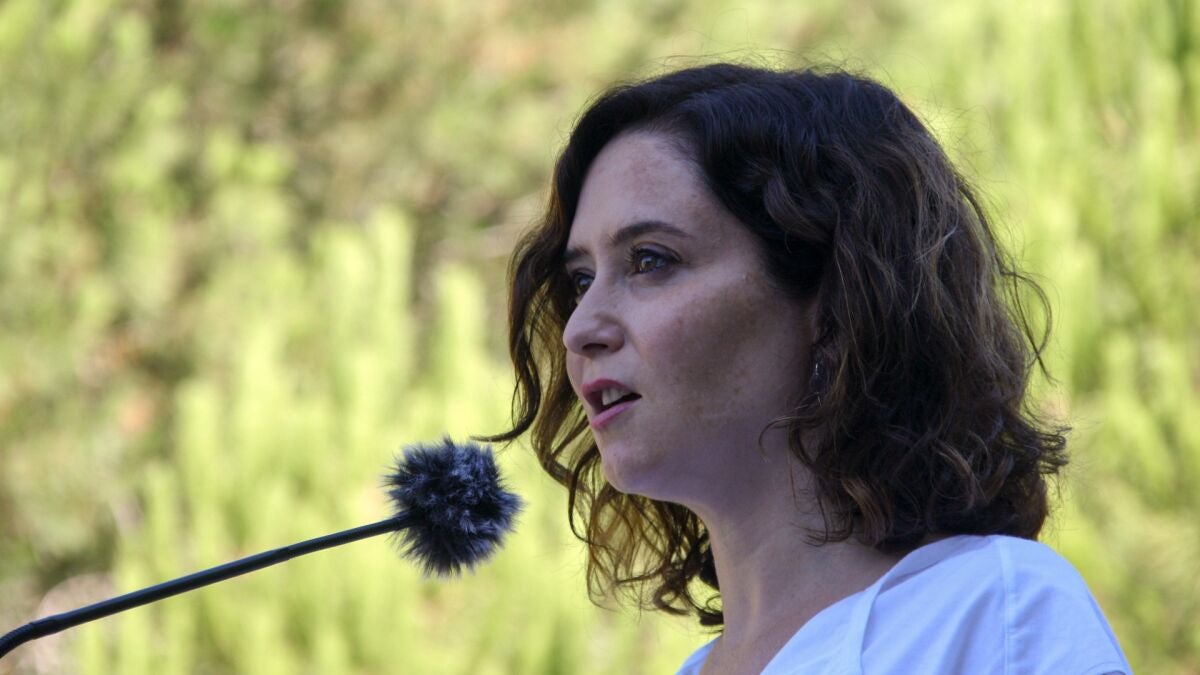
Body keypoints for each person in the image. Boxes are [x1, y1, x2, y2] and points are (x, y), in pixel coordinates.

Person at [484, 63, 1131, 674]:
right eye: (581, 279)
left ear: (833, 302)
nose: (580, 328)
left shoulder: (994, 614)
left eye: (650, 260)